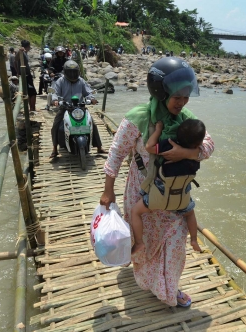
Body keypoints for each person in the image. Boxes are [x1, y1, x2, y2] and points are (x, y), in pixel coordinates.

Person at [100, 57, 214, 307]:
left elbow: (208, 145)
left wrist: (184, 154)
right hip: (142, 193)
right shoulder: (137, 118)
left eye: (186, 98)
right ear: (160, 92)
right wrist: (108, 191)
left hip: (174, 194)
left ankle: (169, 289)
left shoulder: (186, 117)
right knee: (145, 244)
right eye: (177, 98)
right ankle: (150, 280)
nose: (182, 103)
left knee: (175, 245)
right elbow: (117, 153)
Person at [131, 118, 205, 256]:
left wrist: (158, 130)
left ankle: (139, 242)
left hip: (161, 193)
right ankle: (194, 240)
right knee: (190, 213)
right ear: (200, 142)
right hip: (182, 195)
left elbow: (149, 147)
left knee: (136, 211)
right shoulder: (197, 154)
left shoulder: (170, 145)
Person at [49, 60, 108, 158]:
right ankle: (55, 149)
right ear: (65, 72)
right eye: (70, 72)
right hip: (65, 107)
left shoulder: (81, 81)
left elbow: (88, 92)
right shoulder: (60, 81)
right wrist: (55, 100)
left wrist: (92, 99)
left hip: (80, 107)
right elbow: (55, 92)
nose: (72, 74)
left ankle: (99, 147)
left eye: (74, 72)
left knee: (92, 124)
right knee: (55, 125)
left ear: (78, 71)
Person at [15, 40, 37, 111]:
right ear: (28, 46)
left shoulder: (25, 53)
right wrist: (20, 51)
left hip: (27, 74)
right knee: (32, 92)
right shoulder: (21, 52)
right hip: (25, 75)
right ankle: (32, 109)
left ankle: (31, 108)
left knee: (29, 92)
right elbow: (16, 59)